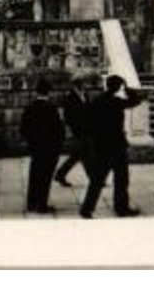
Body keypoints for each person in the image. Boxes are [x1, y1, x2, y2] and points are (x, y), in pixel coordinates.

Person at [80, 74, 146, 218]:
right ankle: (121, 207)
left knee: (97, 180)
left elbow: (89, 123)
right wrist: (128, 89)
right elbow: (134, 102)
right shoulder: (115, 101)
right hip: (116, 146)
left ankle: (87, 208)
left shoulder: (97, 101)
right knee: (121, 178)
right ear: (117, 87)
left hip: (102, 145)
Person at [19, 78, 65, 215]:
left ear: (36, 92)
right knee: (45, 177)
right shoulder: (52, 108)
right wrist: (58, 144)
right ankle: (41, 205)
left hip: (35, 147)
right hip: (50, 148)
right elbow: (59, 130)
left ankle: (31, 203)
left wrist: (31, 141)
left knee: (34, 174)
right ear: (48, 92)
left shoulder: (30, 107)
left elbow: (23, 129)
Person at [53, 73, 96, 188]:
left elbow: (88, 110)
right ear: (77, 84)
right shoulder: (70, 97)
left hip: (86, 129)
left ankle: (60, 174)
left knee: (77, 155)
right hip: (78, 130)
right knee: (86, 155)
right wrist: (73, 127)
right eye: (82, 83)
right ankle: (94, 179)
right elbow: (68, 116)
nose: (85, 85)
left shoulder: (85, 95)